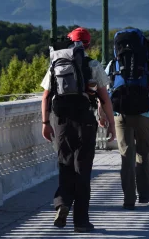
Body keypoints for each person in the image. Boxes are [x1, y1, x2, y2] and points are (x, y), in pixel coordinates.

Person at [40, 27, 116, 233]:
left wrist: (45, 123)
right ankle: (81, 221)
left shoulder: (55, 63)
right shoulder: (93, 65)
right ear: (88, 45)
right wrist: (111, 123)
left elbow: (46, 97)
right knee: (82, 170)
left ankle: (62, 202)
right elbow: (104, 98)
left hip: (61, 120)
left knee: (65, 164)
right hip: (85, 120)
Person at [103, 29, 149, 210]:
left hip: (121, 115)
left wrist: (103, 115)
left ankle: (128, 200)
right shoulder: (147, 64)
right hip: (144, 115)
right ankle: (144, 195)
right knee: (143, 154)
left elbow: (106, 92)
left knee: (126, 157)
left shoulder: (113, 64)